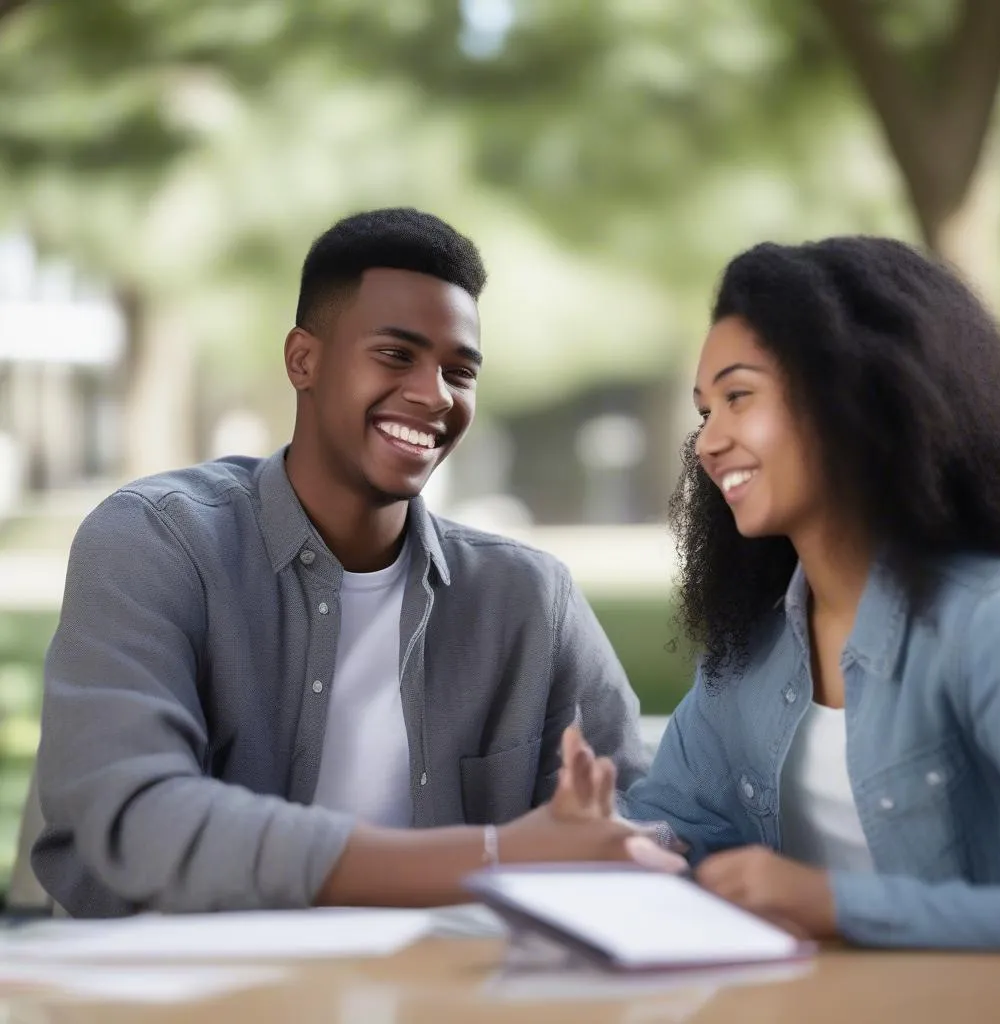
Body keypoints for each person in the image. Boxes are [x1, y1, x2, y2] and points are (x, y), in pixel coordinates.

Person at [32, 207, 653, 917]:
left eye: (460, 370)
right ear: (304, 360)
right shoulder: (157, 542)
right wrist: (496, 857)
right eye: (396, 354)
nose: (435, 394)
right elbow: (139, 822)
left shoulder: (529, 599)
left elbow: (630, 820)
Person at [618, 236, 1000, 949]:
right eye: (705, 410)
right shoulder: (747, 656)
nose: (708, 442)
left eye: (738, 397)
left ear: (854, 395)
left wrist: (836, 903)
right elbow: (671, 827)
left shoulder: (996, 626)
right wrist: (605, 840)